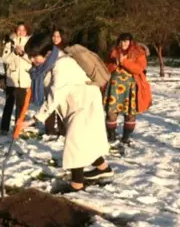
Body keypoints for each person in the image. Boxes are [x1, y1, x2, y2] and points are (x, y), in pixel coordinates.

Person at [18, 33, 113, 193]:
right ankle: (103, 168)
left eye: (34, 57)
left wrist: (33, 120)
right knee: (85, 141)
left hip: (83, 104)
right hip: (74, 104)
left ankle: (77, 185)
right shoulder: (49, 61)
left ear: (47, 53)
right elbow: (40, 69)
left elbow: (54, 96)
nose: (32, 60)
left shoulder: (63, 66)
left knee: (75, 144)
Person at [104, 33, 151, 144]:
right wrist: (114, 63)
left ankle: (126, 138)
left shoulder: (138, 53)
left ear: (131, 42)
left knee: (130, 113)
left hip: (131, 89)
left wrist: (124, 62)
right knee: (111, 113)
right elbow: (105, 67)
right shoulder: (114, 51)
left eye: (126, 41)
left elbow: (139, 69)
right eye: (121, 41)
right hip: (114, 88)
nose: (123, 43)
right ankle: (111, 136)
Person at [0, 22, 32, 135]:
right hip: (11, 79)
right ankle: (4, 128)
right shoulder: (10, 43)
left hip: (24, 79)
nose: (21, 32)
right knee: (8, 105)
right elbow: (5, 59)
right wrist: (14, 52)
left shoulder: (30, 43)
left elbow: (33, 60)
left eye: (23, 30)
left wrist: (23, 53)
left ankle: (18, 128)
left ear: (27, 31)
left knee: (21, 106)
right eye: (19, 29)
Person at [43, 28, 67, 136]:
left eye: (58, 36)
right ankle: (49, 129)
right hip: (48, 79)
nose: (55, 38)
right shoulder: (47, 49)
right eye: (54, 36)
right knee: (49, 103)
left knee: (61, 105)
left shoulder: (66, 50)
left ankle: (63, 129)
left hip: (61, 80)